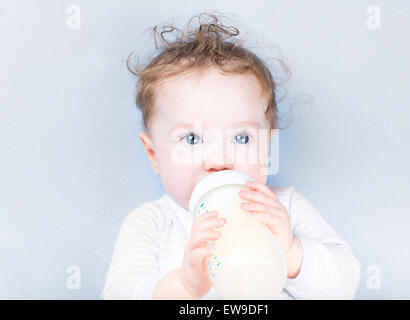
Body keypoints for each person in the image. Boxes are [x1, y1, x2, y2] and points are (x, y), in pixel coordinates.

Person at [101, 12, 360, 300]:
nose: (219, 161)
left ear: (268, 147)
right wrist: (183, 287)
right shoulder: (152, 224)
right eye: (192, 139)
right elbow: (118, 294)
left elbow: (344, 286)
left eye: (242, 138)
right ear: (153, 154)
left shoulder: (284, 208)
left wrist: (290, 251)